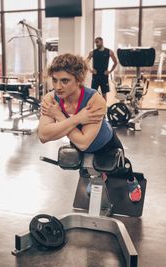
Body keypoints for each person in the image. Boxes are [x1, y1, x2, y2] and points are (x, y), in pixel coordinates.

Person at [38, 53, 141, 202]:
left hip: (106, 142)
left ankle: (132, 182)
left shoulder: (95, 99)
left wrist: (60, 118)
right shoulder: (51, 99)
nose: (57, 87)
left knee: (122, 166)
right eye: (55, 80)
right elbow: (43, 135)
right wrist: (77, 118)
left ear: (79, 79)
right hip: (78, 142)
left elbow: (84, 142)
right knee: (88, 171)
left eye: (65, 81)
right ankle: (99, 177)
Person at [86, 37, 118, 101]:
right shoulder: (93, 52)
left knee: (104, 94)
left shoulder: (109, 52)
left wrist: (110, 71)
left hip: (104, 75)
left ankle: (104, 109)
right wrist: (91, 70)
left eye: (97, 42)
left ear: (102, 42)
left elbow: (115, 62)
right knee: (93, 93)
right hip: (96, 76)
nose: (96, 44)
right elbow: (86, 61)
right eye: (95, 43)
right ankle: (95, 107)